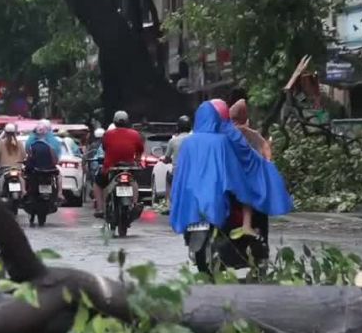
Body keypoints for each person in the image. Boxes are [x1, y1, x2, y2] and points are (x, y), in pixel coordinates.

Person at [170, 100, 292, 238]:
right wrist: (265, 165)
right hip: (226, 186)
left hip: (197, 191)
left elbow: (182, 173)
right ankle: (247, 226)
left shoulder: (190, 141)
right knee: (246, 187)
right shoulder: (226, 137)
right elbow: (245, 160)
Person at [93, 111, 144, 218]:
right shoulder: (135, 134)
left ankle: (100, 208)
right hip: (129, 167)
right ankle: (134, 203)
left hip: (111, 168)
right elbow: (139, 150)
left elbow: (104, 148)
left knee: (97, 184)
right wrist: (137, 161)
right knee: (133, 182)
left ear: (114, 122)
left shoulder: (107, 135)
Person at [25, 123, 63, 199]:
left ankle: (25, 192)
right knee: (59, 175)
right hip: (49, 170)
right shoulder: (50, 147)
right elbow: (55, 160)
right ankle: (60, 194)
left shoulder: (31, 146)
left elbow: (29, 159)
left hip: (36, 171)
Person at [164, 115, 192, 211]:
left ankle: (169, 205)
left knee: (168, 179)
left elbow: (166, 158)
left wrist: (167, 160)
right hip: (193, 172)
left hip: (177, 172)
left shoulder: (173, 141)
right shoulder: (195, 139)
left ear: (178, 127)